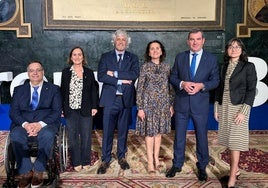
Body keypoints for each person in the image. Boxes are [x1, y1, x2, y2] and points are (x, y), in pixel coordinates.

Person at [166, 28, 219, 181]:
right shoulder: (180, 57)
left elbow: (215, 80)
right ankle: (177, 164)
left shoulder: (211, 59)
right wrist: (183, 83)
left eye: (198, 39)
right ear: (188, 41)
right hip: (181, 103)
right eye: (192, 39)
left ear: (203, 41)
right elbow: (173, 77)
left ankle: (202, 166)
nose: (195, 42)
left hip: (200, 104)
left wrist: (201, 85)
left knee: (201, 136)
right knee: (179, 136)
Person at [9, 61, 62, 188]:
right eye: (32, 70)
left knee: (48, 134)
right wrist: (26, 125)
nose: (35, 73)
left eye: (38, 70)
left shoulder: (53, 89)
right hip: (24, 125)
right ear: (28, 74)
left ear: (43, 72)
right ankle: (26, 171)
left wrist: (40, 125)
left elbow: (56, 111)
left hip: (46, 124)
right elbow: (14, 112)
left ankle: (39, 170)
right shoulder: (19, 90)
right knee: (16, 135)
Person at [214, 38, 257, 188]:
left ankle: (232, 177)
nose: (234, 49)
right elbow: (219, 89)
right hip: (225, 106)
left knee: (235, 143)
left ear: (242, 49)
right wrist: (216, 107)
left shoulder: (248, 66)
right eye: (231, 46)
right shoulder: (224, 66)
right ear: (227, 50)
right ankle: (236, 170)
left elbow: (251, 91)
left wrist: (244, 112)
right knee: (227, 140)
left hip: (239, 109)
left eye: (237, 46)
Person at [97, 29, 139, 174]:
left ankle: (121, 156)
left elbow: (134, 74)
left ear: (127, 43)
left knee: (123, 130)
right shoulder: (105, 57)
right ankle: (106, 159)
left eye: (123, 40)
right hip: (110, 99)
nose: (121, 42)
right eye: (118, 39)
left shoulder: (132, 58)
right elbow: (101, 76)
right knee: (107, 130)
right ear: (114, 41)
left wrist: (113, 73)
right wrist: (121, 79)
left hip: (125, 100)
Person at [135, 40, 174, 174]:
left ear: (161, 51)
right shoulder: (145, 67)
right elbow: (140, 88)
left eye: (158, 48)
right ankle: (150, 162)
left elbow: (170, 88)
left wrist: (170, 104)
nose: (155, 50)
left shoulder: (167, 67)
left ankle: (157, 159)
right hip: (148, 105)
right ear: (148, 52)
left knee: (158, 134)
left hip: (163, 105)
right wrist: (140, 107)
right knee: (149, 134)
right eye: (152, 48)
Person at [61, 46, 99, 172]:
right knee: (72, 137)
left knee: (86, 136)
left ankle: (86, 160)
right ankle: (76, 161)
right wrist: (62, 108)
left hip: (86, 109)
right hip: (70, 109)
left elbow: (93, 91)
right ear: (71, 57)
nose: (77, 57)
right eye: (74, 55)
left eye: (79, 54)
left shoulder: (88, 72)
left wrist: (94, 106)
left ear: (83, 57)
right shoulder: (66, 72)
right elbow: (63, 92)